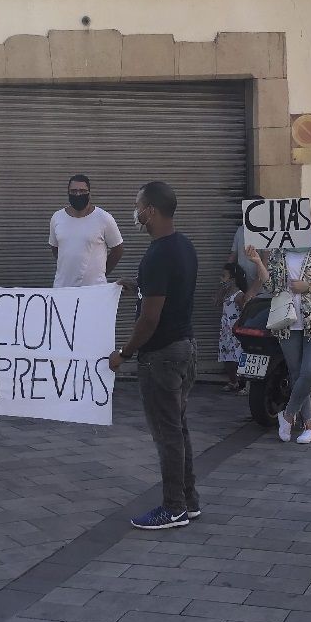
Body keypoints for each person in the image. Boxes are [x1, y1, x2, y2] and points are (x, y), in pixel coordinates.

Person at [109, 181, 199, 530]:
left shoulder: (157, 255)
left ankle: (173, 507)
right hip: (185, 349)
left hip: (161, 356)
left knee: (167, 435)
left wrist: (124, 353)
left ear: (151, 211)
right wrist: (138, 285)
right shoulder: (183, 246)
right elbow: (167, 289)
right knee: (179, 429)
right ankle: (189, 501)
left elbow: (150, 318)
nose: (135, 211)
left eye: (138, 205)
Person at [246, 235, 311, 444]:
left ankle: (288, 414)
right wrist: (257, 262)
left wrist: (308, 286)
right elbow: (271, 286)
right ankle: (309, 425)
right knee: (297, 373)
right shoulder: (279, 250)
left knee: (310, 373)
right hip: (287, 321)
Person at [49, 174, 124, 288]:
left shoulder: (104, 218)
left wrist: (101, 274)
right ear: (68, 193)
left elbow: (117, 250)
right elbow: (55, 248)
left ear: (89, 193)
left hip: (94, 291)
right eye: (73, 191)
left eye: (82, 191)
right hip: (62, 289)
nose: (78, 194)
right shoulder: (57, 217)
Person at [215, 263, 257, 393]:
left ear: (232, 279)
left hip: (235, 331)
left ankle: (245, 384)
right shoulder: (226, 294)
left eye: (224, 276)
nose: (221, 279)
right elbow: (216, 302)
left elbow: (244, 311)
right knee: (227, 357)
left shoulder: (238, 295)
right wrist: (222, 289)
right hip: (226, 331)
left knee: (239, 356)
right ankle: (233, 382)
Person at [228, 194, 266, 286]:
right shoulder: (241, 230)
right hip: (243, 286)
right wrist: (226, 277)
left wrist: (253, 292)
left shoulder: (268, 233)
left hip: (262, 291)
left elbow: (266, 264)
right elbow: (233, 256)